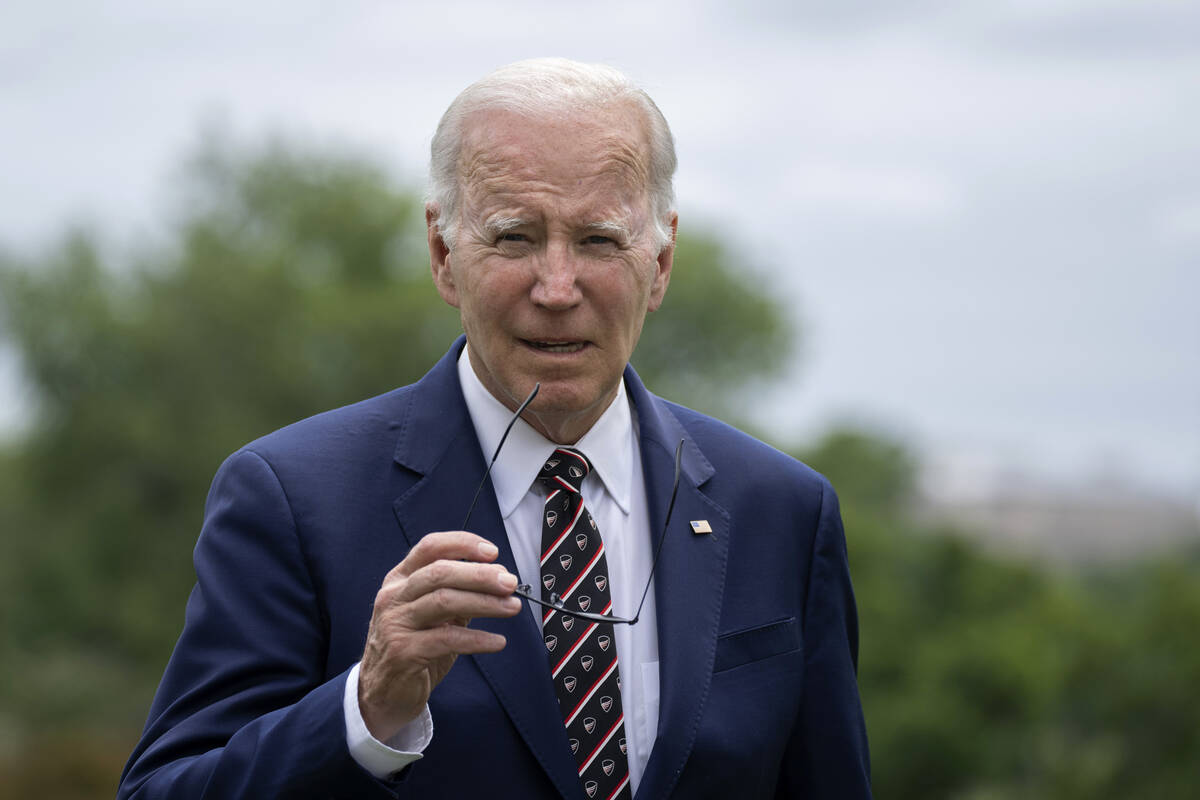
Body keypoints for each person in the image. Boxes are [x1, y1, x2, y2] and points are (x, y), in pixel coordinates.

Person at [118, 58, 871, 799]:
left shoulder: (783, 510)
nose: (556, 287)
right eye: (514, 237)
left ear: (662, 260)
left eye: (599, 241)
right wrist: (367, 709)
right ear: (445, 256)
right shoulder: (293, 498)